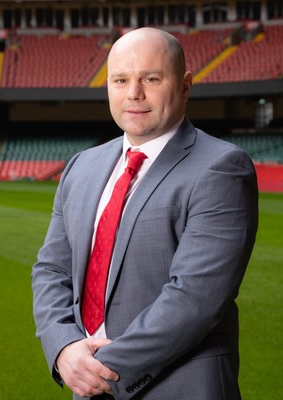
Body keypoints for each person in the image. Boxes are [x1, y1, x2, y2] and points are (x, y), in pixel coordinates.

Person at [32, 27, 258, 400]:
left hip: (179, 387)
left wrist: (99, 371)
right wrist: (63, 348)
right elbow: (51, 270)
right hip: (85, 382)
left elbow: (194, 299)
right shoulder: (81, 166)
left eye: (151, 79)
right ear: (108, 86)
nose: (134, 93)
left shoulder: (221, 167)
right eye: (121, 80)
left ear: (185, 85)